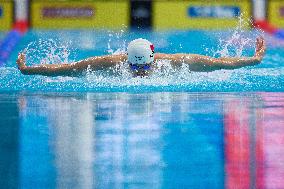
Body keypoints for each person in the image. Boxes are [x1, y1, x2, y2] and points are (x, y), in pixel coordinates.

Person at [16, 37, 266, 77]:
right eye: (136, 68)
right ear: (125, 59)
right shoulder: (107, 64)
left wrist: (251, 60)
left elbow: (217, 65)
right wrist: (30, 69)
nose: (140, 74)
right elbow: (66, 68)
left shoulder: (175, 61)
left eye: (144, 67)